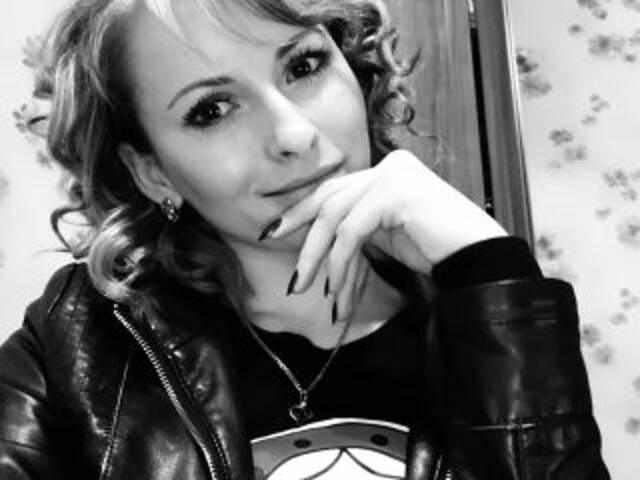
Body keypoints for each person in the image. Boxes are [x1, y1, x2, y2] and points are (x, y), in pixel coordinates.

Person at [0, 0, 610, 478]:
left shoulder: (479, 321)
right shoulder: (75, 342)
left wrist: (490, 270)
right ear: (152, 171)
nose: (293, 134)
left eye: (304, 66)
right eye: (212, 109)